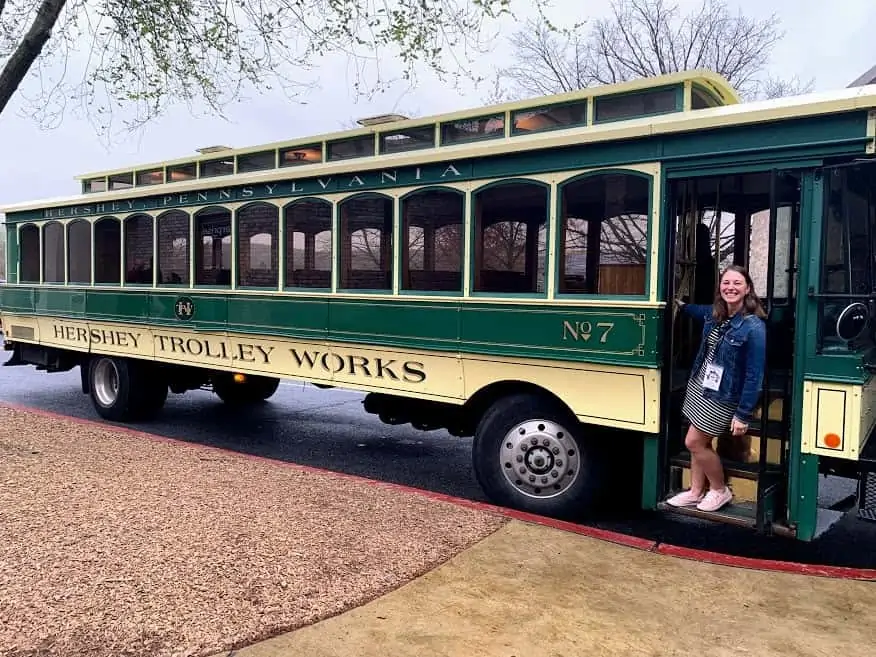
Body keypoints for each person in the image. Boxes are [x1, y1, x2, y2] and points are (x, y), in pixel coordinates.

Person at [666, 264, 767, 512]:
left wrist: (743, 413)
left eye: (737, 284)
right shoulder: (716, 314)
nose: (730, 288)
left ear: (748, 289)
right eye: (726, 283)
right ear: (720, 287)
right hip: (701, 386)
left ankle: (720, 490)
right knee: (700, 442)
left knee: (694, 442)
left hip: (724, 395)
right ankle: (695, 491)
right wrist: (680, 304)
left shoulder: (754, 327)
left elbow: (755, 374)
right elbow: (697, 311)